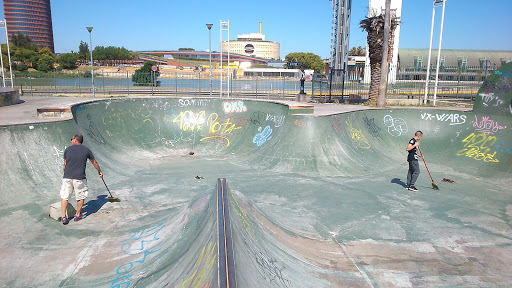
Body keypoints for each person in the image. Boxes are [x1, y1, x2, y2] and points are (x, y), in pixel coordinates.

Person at [60, 134, 103, 225]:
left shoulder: (67, 150)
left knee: (65, 196)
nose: (71, 140)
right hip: (79, 178)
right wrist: (99, 171)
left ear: (76, 140)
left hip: (67, 177)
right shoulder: (86, 150)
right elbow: (94, 162)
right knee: (80, 196)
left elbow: (65, 164)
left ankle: (63, 217)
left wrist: (66, 173)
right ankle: (77, 215)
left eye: (72, 139)